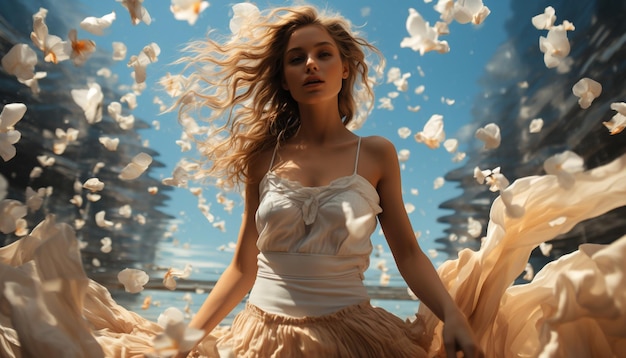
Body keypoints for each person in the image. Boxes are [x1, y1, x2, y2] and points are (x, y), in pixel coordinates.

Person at [172, 4, 483, 357]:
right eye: (296, 59)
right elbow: (243, 267)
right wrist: (182, 341)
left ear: (345, 68)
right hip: (260, 340)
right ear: (285, 80)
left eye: (323, 54)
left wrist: (452, 315)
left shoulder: (376, 154)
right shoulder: (263, 159)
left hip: (354, 337)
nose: (310, 64)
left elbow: (408, 254)